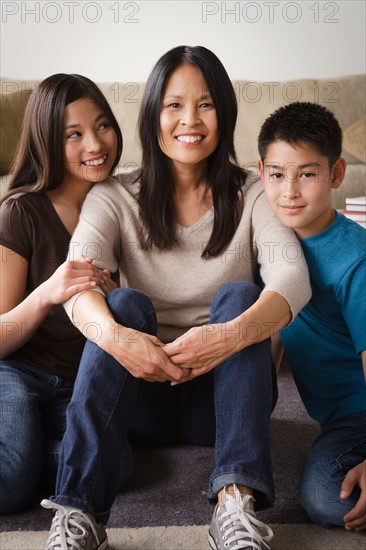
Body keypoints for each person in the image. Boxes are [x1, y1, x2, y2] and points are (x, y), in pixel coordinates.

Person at [42, 46, 312, 550]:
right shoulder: (114, 196)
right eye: (174, 105)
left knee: (240, 296)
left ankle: (235, 504)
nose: (190, 120)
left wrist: (230, 334)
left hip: (226, 400)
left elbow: (292, 278)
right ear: (152, 114)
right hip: (141, 394)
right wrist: (123, 341)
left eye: (205, 104)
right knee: (122, 306)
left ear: (224, 112)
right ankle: (79, 515)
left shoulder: (253, 192)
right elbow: (75, 286)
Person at [0, 73, 125, 514]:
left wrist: (114, 293)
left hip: (81, 382)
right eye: (74, 134)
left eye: (102, 125)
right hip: (19, 371)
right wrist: (48, 292)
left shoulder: (124, 202)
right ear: (47, 142)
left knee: (122, 466)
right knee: (10, 483)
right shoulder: (20, 211)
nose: (95, 144)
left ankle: (46, 454)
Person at [258, 101, 366, 533]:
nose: (290, 192)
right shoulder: (270, 239)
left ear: (336, 174)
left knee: (327, 499)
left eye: (307, 174)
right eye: (278, 175)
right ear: (262, 171)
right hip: (339, 416)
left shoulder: (354, 259)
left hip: (359, 415)